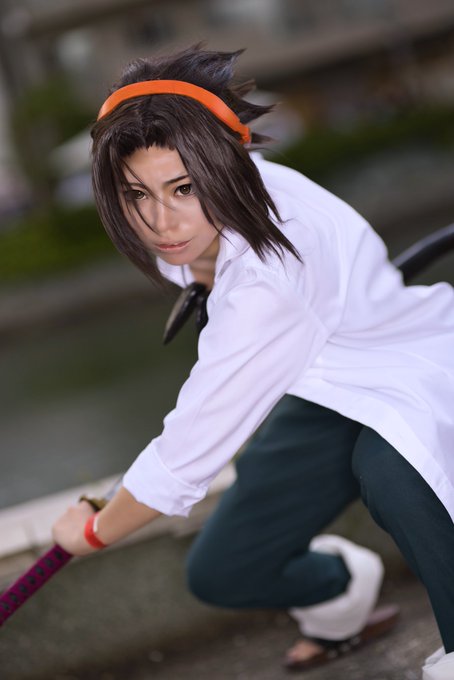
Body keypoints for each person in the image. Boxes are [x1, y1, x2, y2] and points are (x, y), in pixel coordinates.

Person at [52, 45, 454, 677]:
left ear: (224, 166)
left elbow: (186, 453)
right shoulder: (208, 204)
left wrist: (94, 531)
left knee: (394, 472)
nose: (160, 221)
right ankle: (340, 594)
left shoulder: (271, 277)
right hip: (324, 390)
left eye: (184, 189)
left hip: (412, 367)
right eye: (136, 194)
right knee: (224, 570)